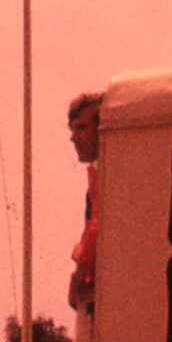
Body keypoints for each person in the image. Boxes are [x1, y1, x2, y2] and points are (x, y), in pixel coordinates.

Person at [66, 92, 102, 313]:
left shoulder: (104, 174)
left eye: (81, 128)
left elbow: (96, 227)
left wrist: (78, 277)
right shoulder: (97, 173)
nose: (73, 137)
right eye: (72, 130)